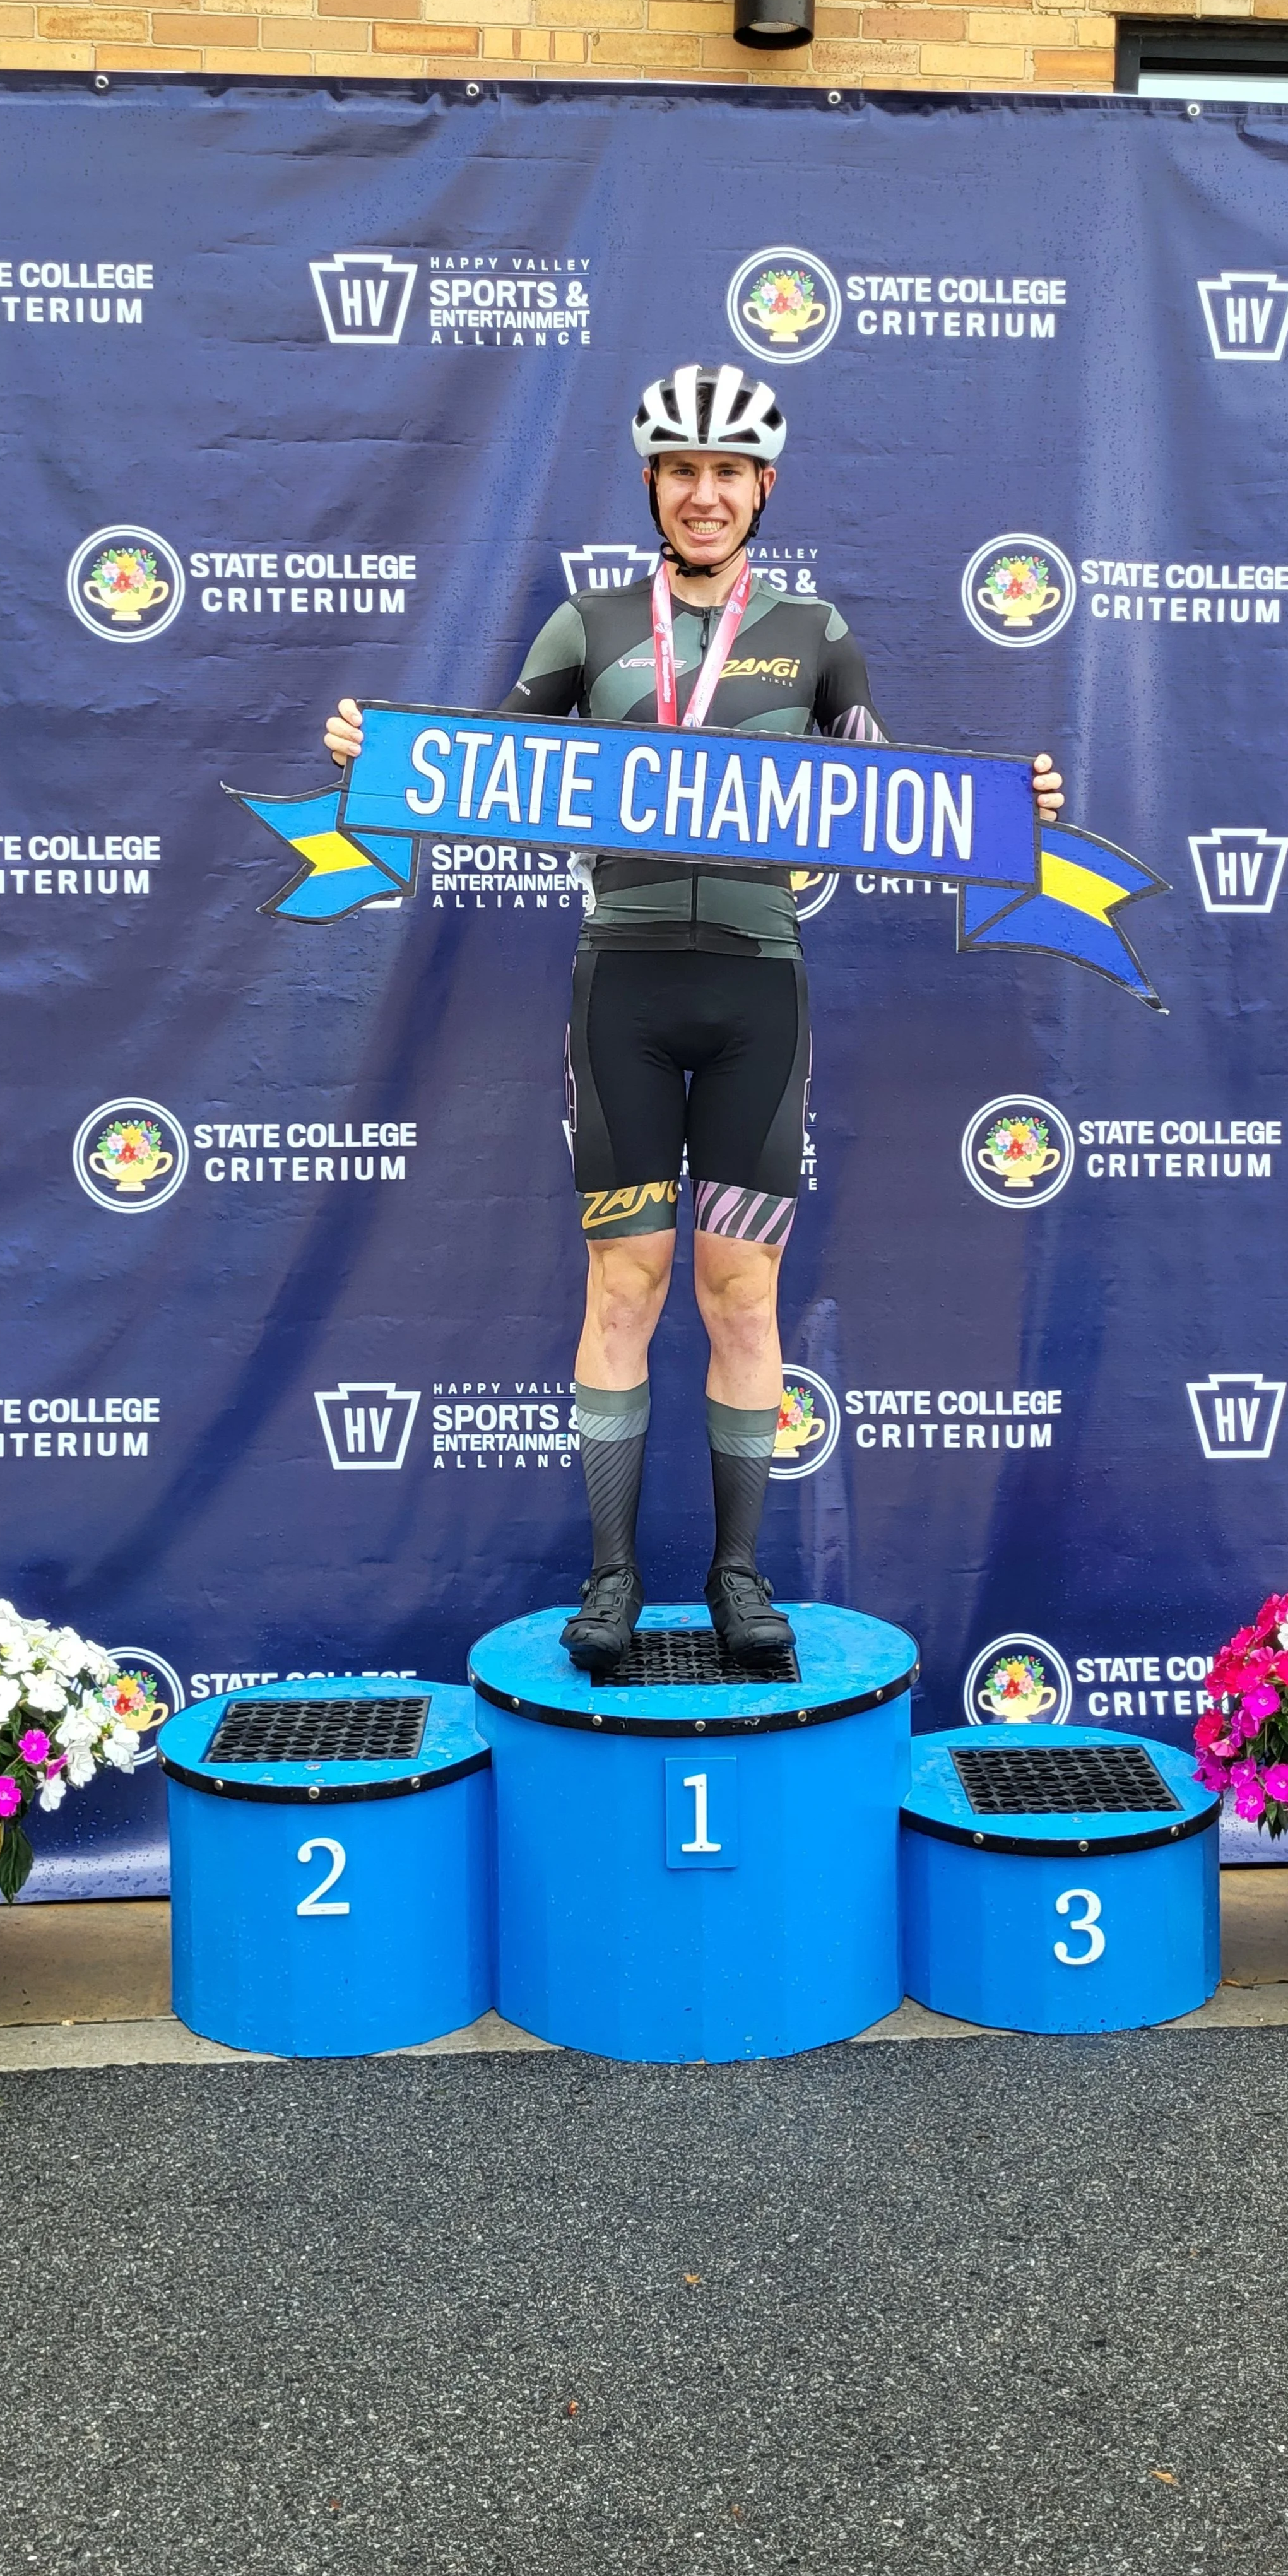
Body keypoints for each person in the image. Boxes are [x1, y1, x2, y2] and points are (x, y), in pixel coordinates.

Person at [325, 362, 1065, 1675]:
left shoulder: (813, 630)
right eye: (682, 471)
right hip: (621, 986)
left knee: (740, 1287)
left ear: (763, 487)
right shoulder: (590, 622)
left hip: (753, 991)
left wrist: (1012, 812)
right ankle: (610, 1578)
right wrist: (378, 759)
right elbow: (484, 761)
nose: (705, 492)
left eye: (729, 471)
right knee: (626, 1278)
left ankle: (737, 1573)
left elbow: (889, 788)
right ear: (654, 487)